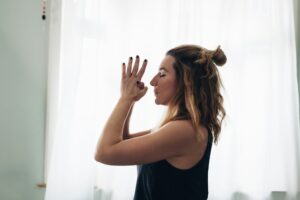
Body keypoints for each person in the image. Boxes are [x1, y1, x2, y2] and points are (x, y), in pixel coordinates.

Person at [94, 44, 227, 200]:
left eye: (162, 74)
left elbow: (104, 153)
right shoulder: (177, 127)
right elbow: (122, 141)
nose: (153, 81)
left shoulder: (185, 130)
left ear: (186, 81)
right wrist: (129, 100)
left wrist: (125, 98)